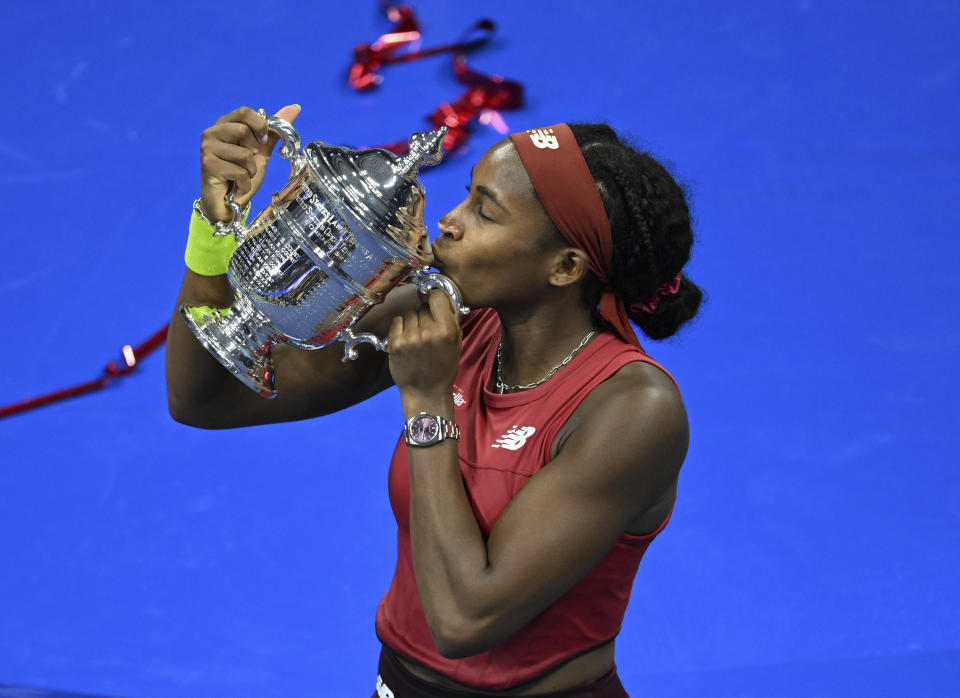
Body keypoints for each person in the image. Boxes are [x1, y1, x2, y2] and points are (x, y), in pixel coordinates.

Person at [166, 105, 703, 697]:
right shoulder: (453, 320)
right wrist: (218, 229)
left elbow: (464, 619)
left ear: (566, 266)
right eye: (468, 195)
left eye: (485, 213)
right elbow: (205, 399)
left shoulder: (632, 408)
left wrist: (426, 404)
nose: (448, 220)